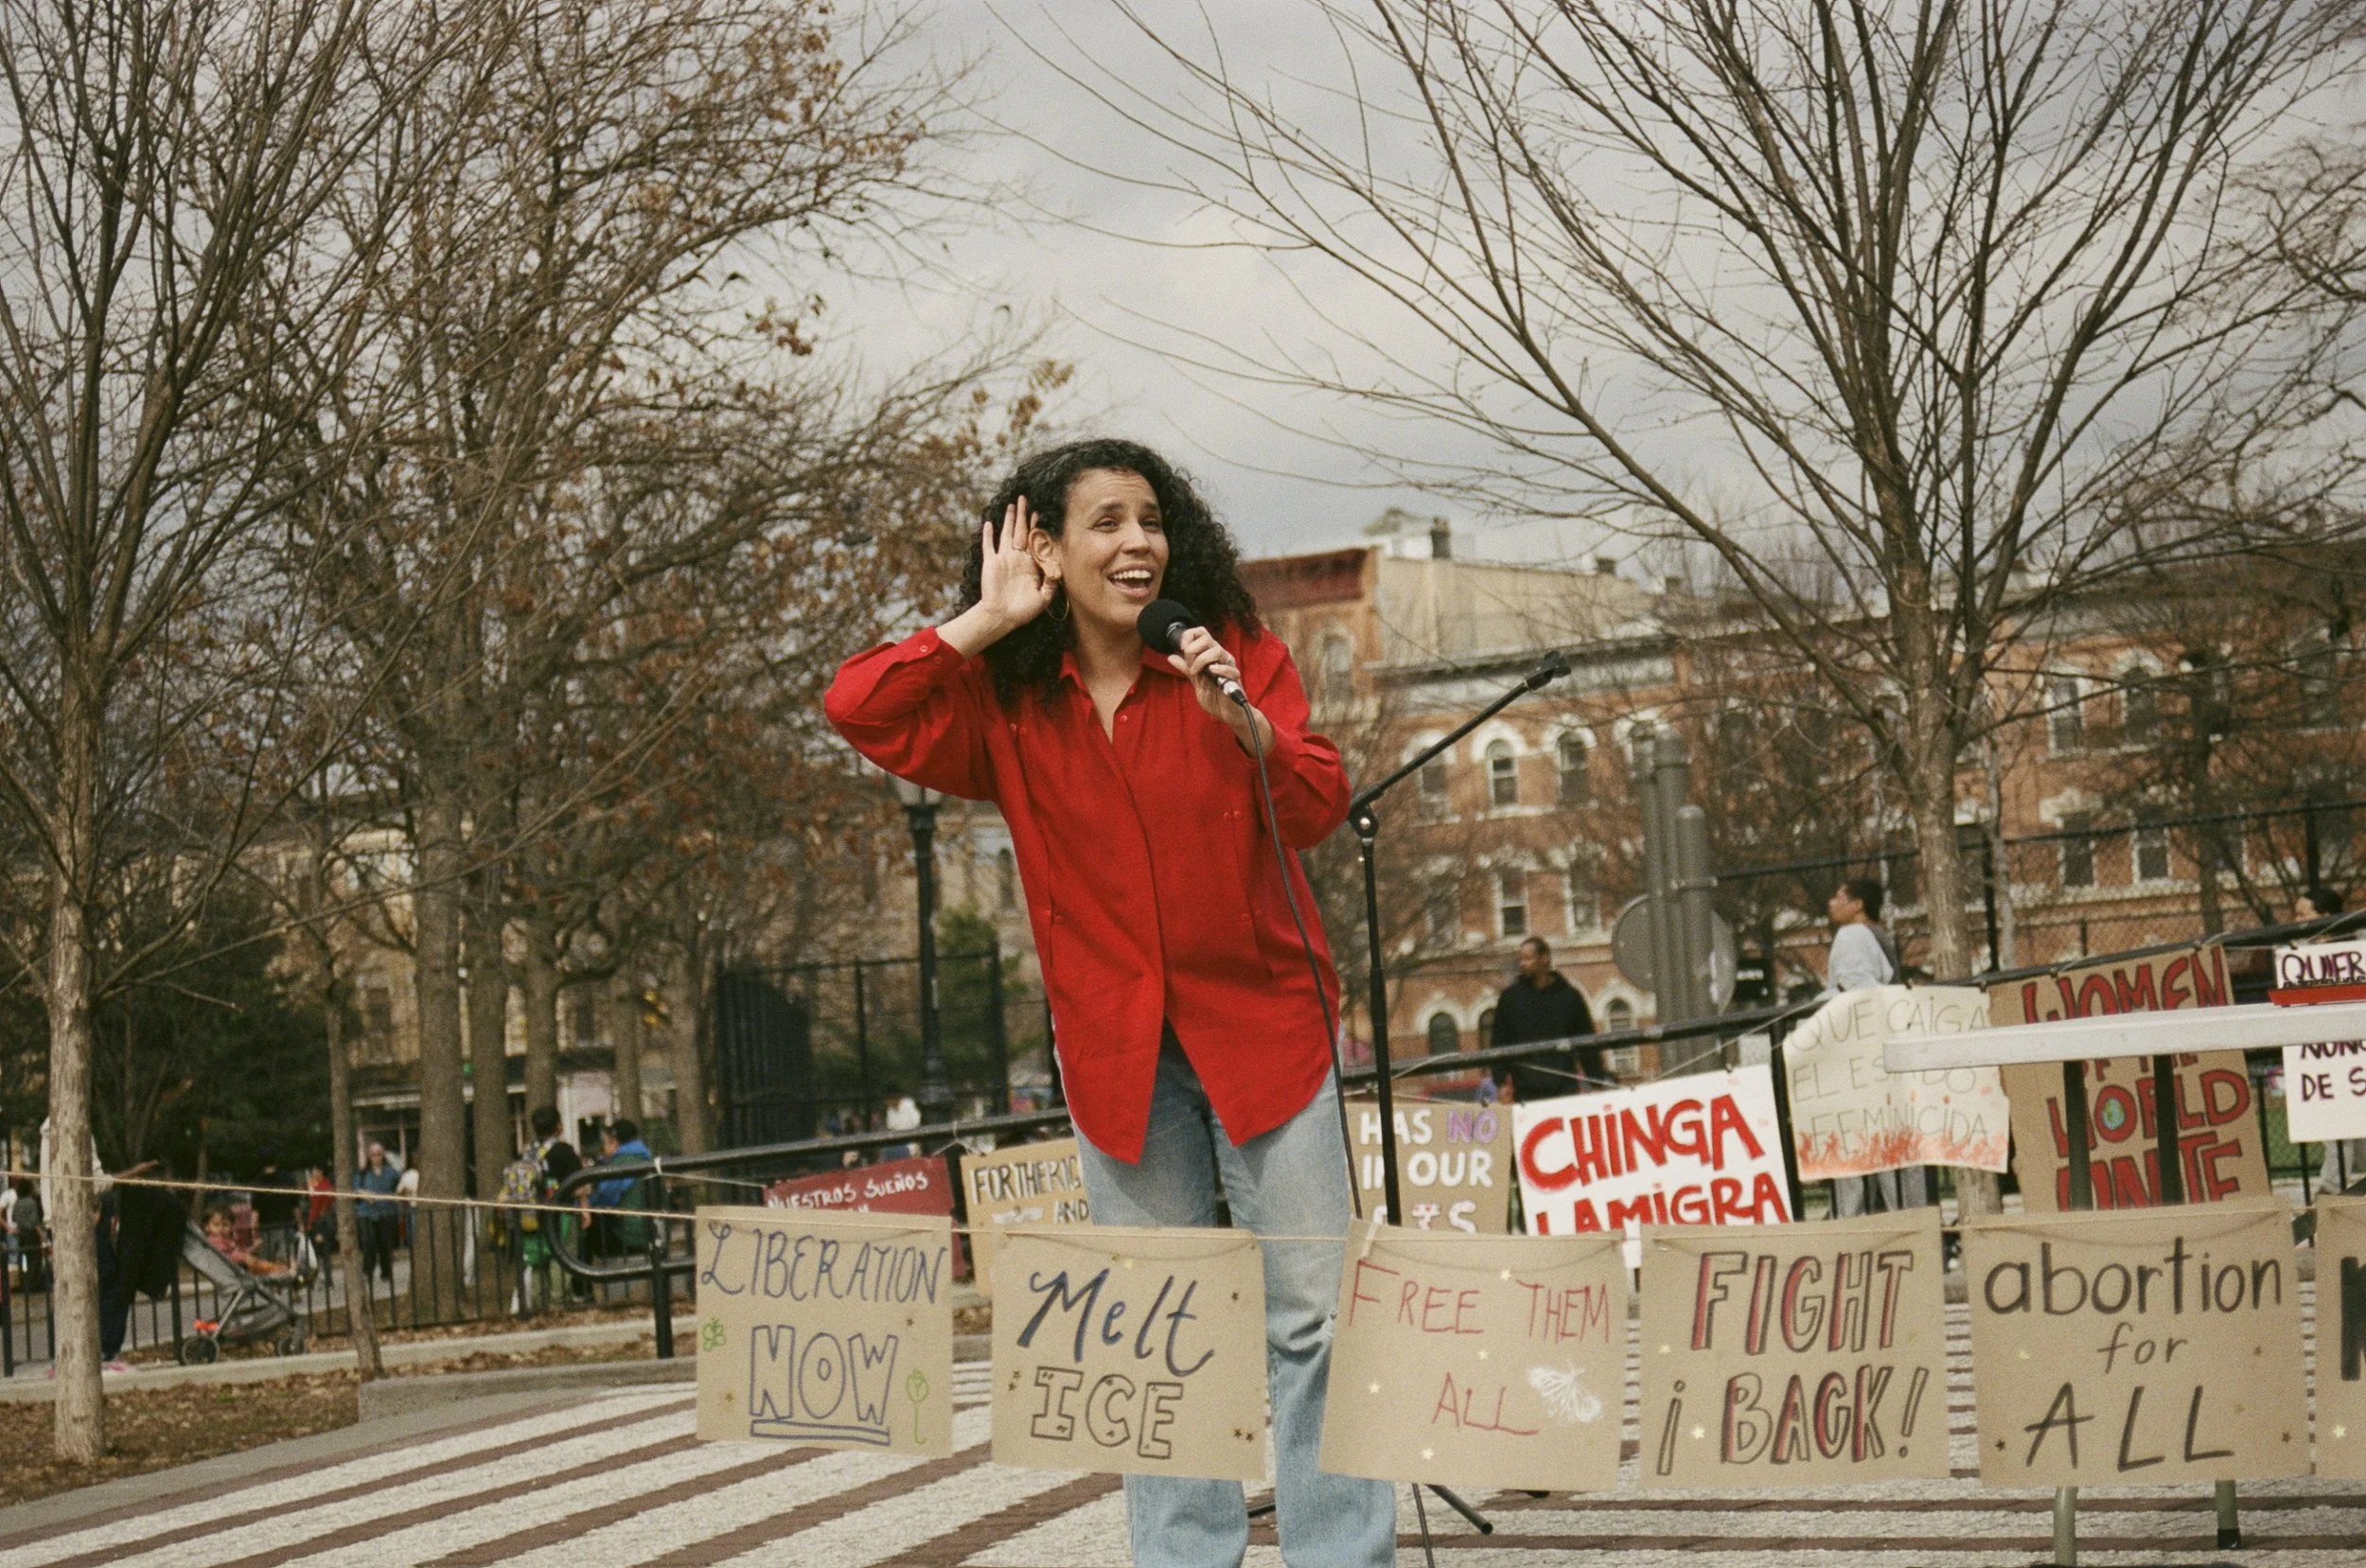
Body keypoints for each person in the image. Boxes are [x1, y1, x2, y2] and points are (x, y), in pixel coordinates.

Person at [827, 438, 1395, 1568]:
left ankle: (1342, 1555)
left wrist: (1247, 724)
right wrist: (985, 621)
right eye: (1105, 522)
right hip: (1116, 1057)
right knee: (1161, 1335)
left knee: (1313, 1316)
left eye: (1150, 519)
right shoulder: (1005, 702)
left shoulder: (1229, 655)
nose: (1137, 543)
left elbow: (1321, 797)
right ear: (1041, 545)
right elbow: (861, 708)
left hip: (1267, 1035)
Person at [1824, 878, 1924, 1217]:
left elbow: (1857, 989)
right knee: (1894, 1146)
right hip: (1888, 1051)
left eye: (1840, 895)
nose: (1831, 901)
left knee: (1855, 1142)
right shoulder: (1878, 935)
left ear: (1858, 905)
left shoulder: (1851, 936)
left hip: (1860, 1053)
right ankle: (1911, 1221)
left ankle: (1852, 1228)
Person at [38, 1118, 155, 1373]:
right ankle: (103, 1350)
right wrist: (131, 1174)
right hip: (80, 1220)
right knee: (110, 1283)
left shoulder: (51, 1130)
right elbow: (92, 1182)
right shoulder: (74, 1125)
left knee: (71, 1285)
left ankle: (63, 1354)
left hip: (64, 1219)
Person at [1491, 936, 1599, 1101]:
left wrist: (1596, 1079)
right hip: (1525, 1090)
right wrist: (1501, 1082)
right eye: (1521, 959)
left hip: (1564, 1088)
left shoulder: (1569, 997)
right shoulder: (1510, 999)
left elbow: (1586, 1041)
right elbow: (1499, 1041)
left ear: (1544, 958)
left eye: (1528, 959)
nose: (1522, 964)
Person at [354, 1142, 401, 1287]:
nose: (376, 1157)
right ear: (369, 1156)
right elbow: (355, 1189)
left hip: (386, 1212)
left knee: (385, 1245)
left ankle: (386, 1273)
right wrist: (364, 1194)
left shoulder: (391, 1172)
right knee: (368, 1244)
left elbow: (399, 1187)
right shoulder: (363, 1174)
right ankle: (368, 1272)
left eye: (379, 1154)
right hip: (367, 1214)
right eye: (373, 1154)